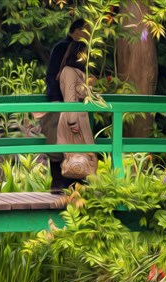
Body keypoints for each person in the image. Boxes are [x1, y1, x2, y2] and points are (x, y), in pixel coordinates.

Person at [42, 18, 87, 193]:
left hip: (75, 103)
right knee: (58, 141)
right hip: (61, 101)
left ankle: (73, 182)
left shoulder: (84, 48)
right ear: (77, 30)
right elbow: (52, 75)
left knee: (73, 142)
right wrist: (54, 99)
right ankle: (58, 182)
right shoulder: (62, 47)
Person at [57, 40, 97, 184]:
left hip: (78, 116)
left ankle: (81, 193)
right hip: (73, 117)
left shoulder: (76, 72)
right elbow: (70, 97)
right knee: (76, 159)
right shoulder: (69, 71)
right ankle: (74, 193)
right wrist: (73, 121)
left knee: (84, 158)